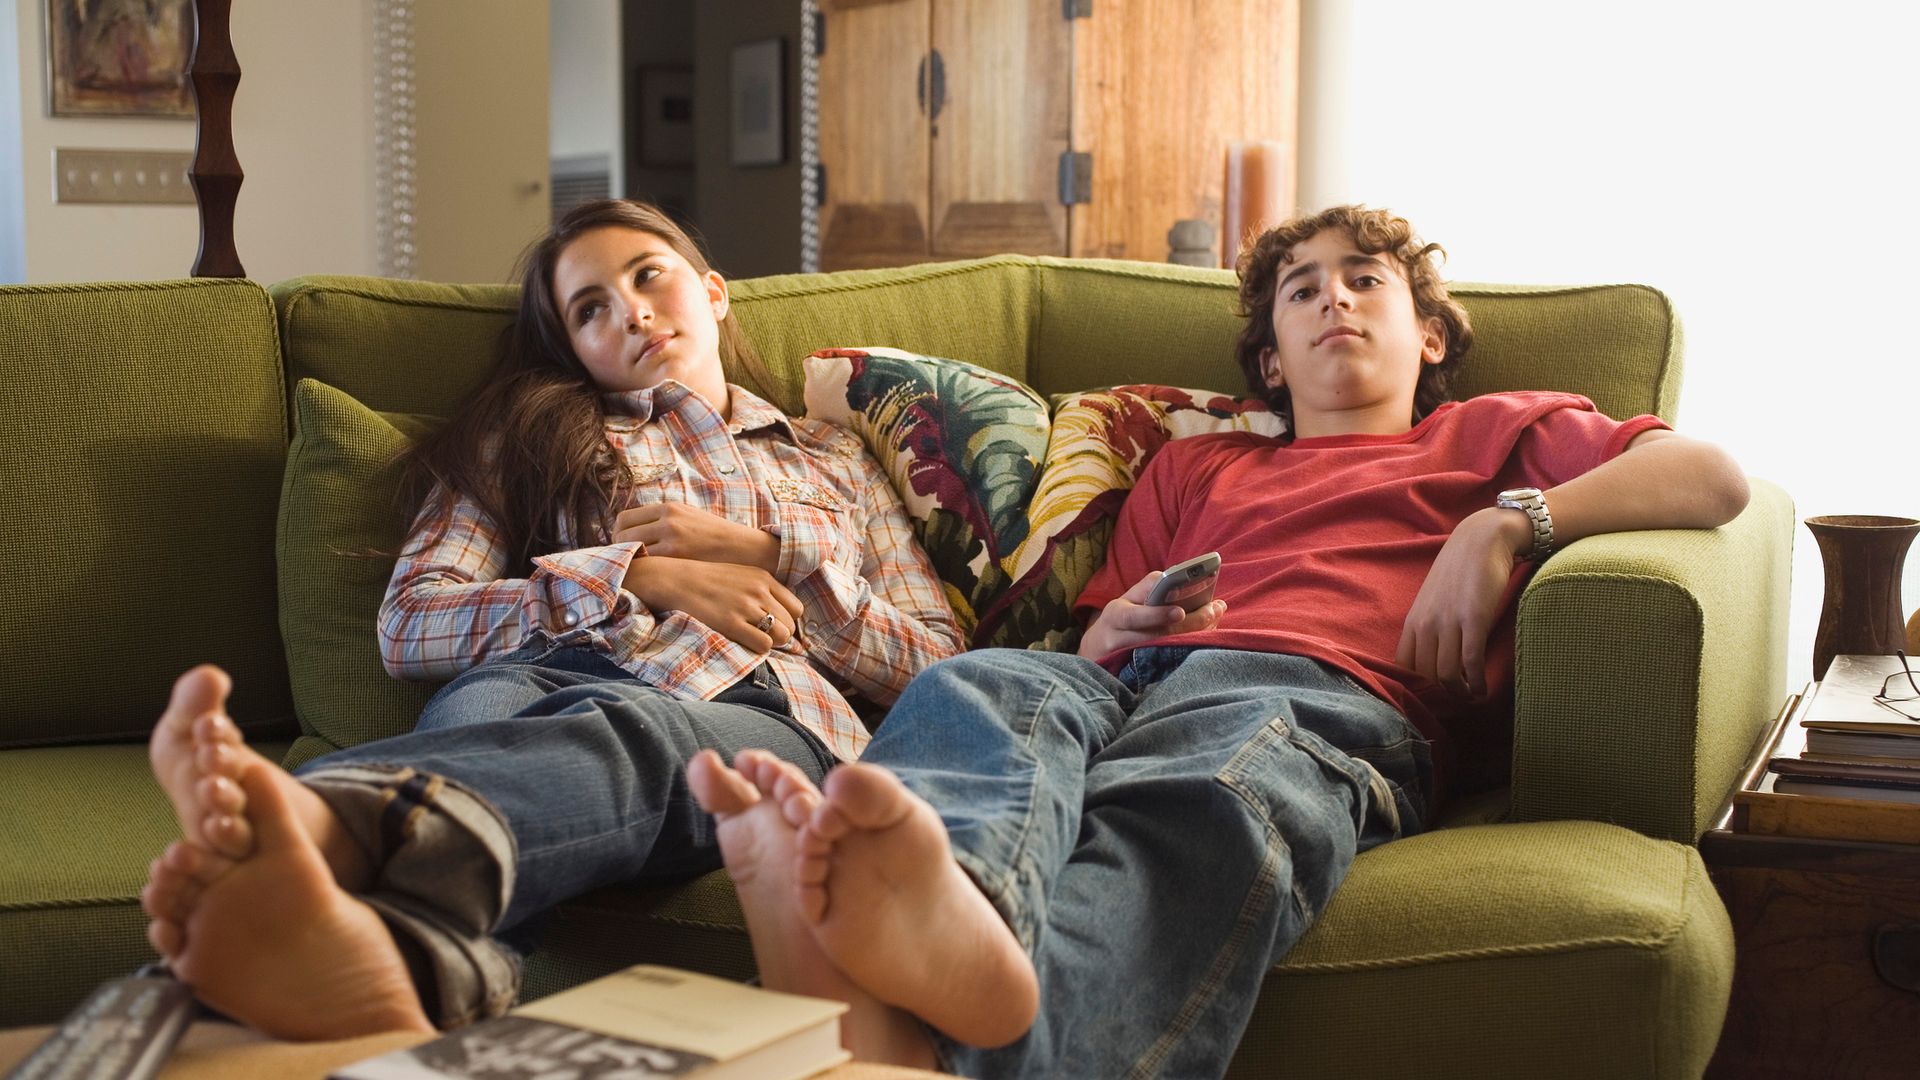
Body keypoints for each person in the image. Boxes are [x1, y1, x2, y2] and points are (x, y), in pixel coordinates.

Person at [684, 204, 1754, 1077]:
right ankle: (943, 925)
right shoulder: (1201, 468)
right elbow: (1095, 636)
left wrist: (1505, 521)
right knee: (985, 687)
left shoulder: (1491, 432)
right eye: (1303, 291)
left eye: (1365, 279)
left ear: (1429, 336)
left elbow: (1712, 478)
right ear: (1273, 365)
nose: (1333, 296)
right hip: (1135, 682)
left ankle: (930, 1031)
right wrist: (1120, 625)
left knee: (1203, 797)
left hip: (1318, 698)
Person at [138, 199, 963, 1041]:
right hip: (531, 679)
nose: (632, 312)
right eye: (591, 308)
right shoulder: (523, 439)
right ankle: (381, 970)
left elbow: (941, 666)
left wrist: (765, 554)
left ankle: (315, 837)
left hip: (754, 707)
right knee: (489, 720)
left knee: (629, 734)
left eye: (650, 277)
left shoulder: (836, 456)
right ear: (573, 347)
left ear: (712, 292)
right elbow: (413, 623)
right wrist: (641, 576)